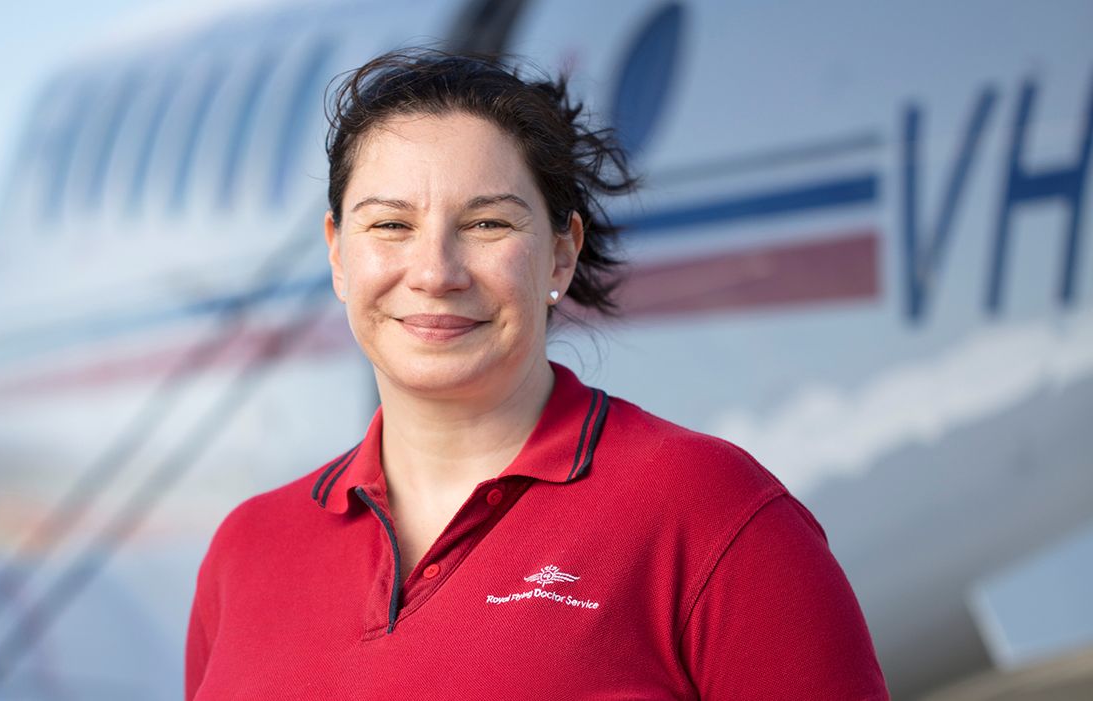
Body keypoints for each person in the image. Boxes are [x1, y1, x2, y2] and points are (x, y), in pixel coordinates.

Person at [185, 49, 890, 700]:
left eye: (488, 224)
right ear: (339, 254)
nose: (435, 273)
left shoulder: (713, 516)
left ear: (559, 254)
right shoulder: (246, 551)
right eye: (390, 226)